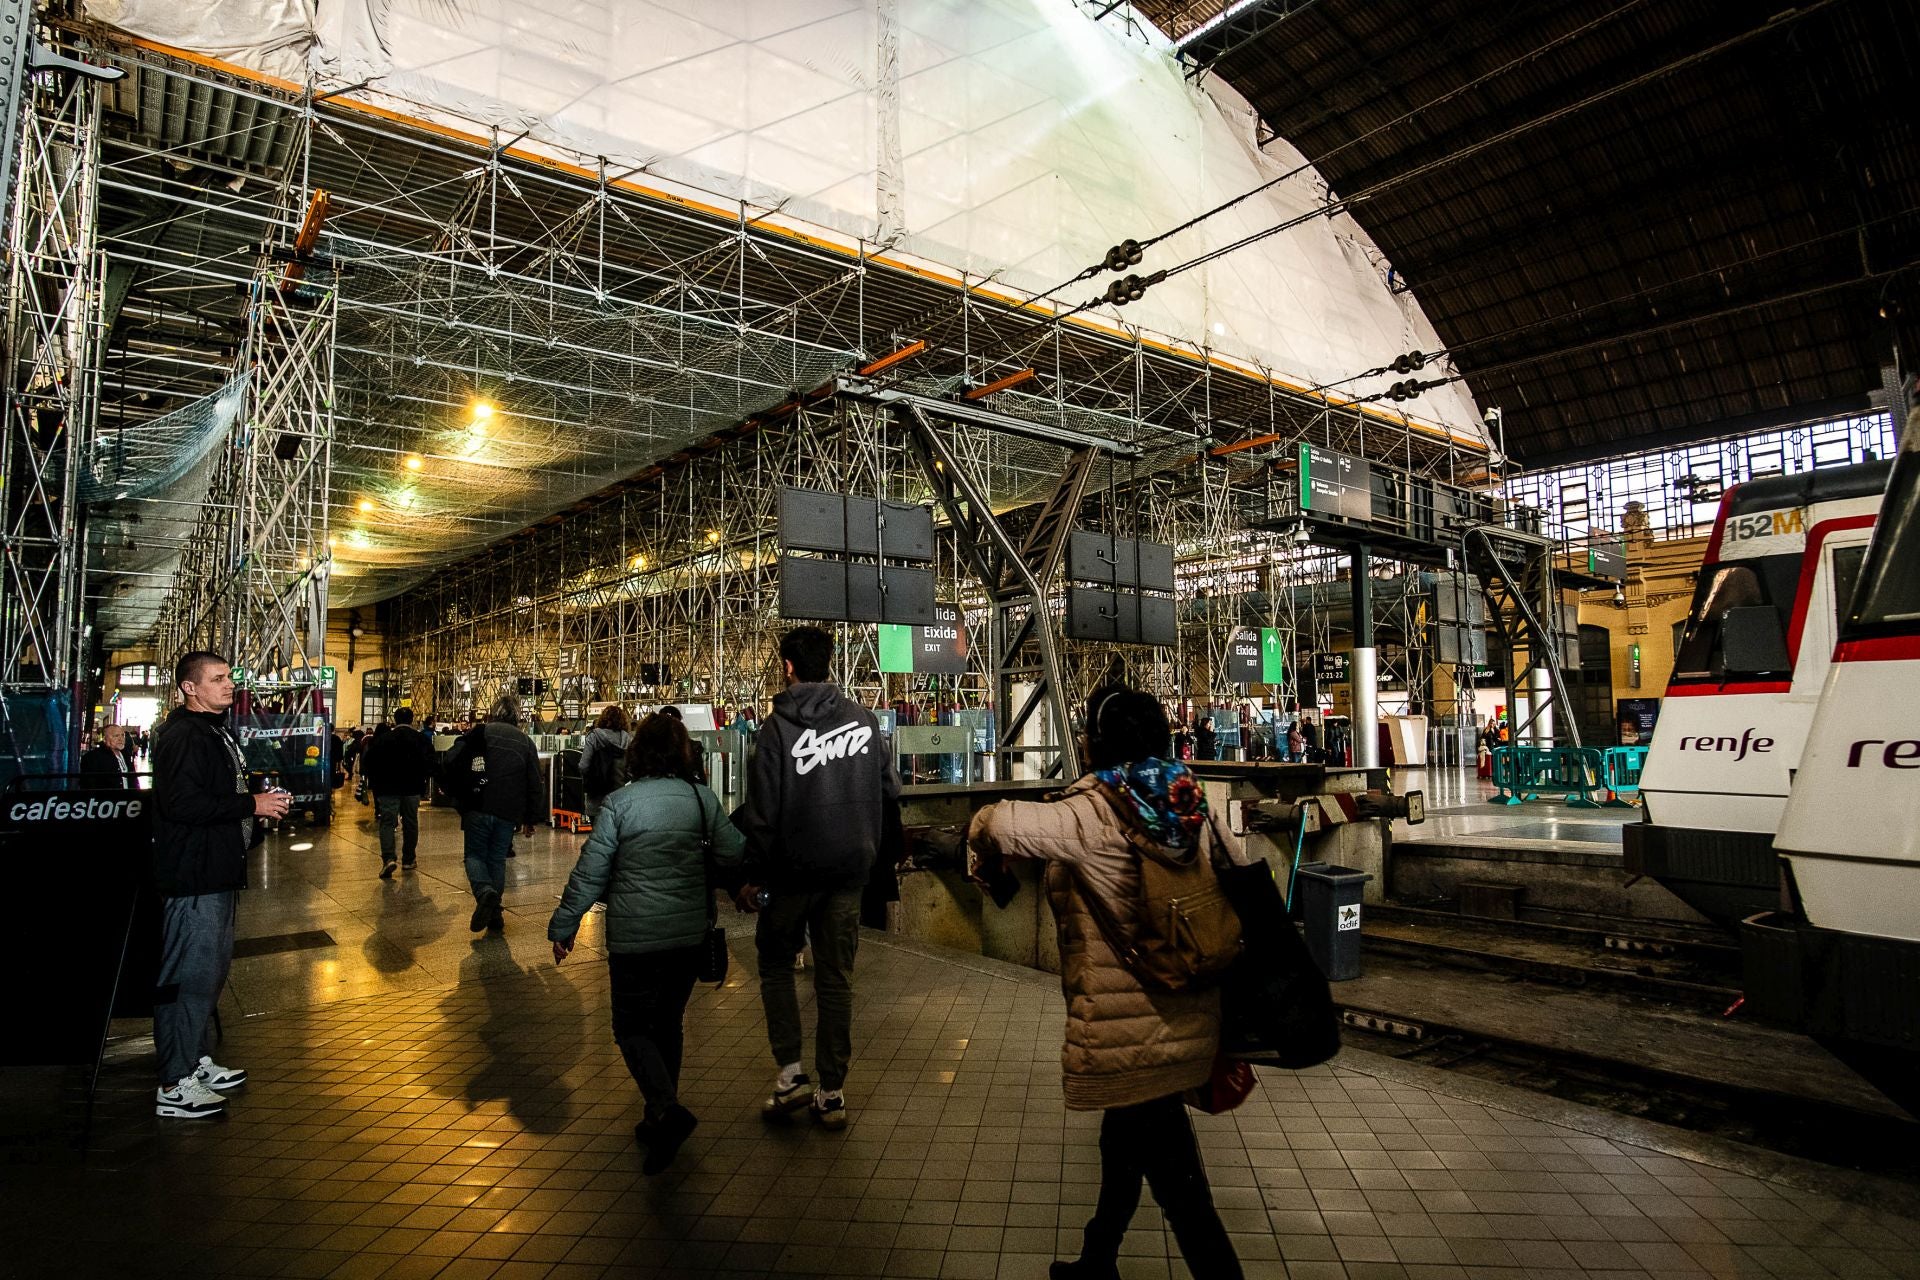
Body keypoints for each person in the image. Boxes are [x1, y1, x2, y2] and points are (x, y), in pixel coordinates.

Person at [966, 687, 1245, 1280]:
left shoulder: (1092, 810)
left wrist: (980, 839)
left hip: (1136, 1038)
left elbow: (999, 822)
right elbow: (1241, 876)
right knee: (1123, 1148)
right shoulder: (1193, 801)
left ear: (1095, 742)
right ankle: (1098, 1261)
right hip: (1193, 1014)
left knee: (1182, 1191)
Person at [549, 712, 745, 1174]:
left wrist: (565, 924)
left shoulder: (620, 804)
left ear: (637, 754)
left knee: (631, 1027)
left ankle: (666, 1109)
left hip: (635, 940)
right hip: (686, 937)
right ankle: (659, 1118)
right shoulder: (701, 799)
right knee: (669, 1025)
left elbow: (590, 871)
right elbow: (734, 850)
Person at [732, 625, 900, 1130]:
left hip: (791, 873)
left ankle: (791, 1075)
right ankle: (832, 1091)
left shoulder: (776, 731)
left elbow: (762, 815)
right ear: (829, 664)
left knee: (776, 963)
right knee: (835, 977)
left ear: (787, 667)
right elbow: (889, 793)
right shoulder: (865, 722)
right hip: (850, 869)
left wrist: (750, 875)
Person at [150, 650, 292, 1119]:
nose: (229, 684)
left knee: (209, 972)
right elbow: (181, 804)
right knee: (188, 975)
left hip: (215, 871)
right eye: (217, 678)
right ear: (190, 687)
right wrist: (250, 805)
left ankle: (194, 1059)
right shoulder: (183, 736)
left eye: (229, 677)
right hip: (193, 876)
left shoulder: (212, 731)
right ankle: (174, 1083)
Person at [452, 693, 544, 932]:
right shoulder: (525, 742)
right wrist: (531, 818)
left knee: (474, 856)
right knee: (496, 860)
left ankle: (484, 892)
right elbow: (535, 782)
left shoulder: (480, 732)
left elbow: (454, 759)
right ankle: (495, 915)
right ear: (517, 716)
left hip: (478, 804)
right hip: (507, 811)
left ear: (494, 711)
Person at [360, 706, 437, 878]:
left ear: (395, 720)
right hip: (412, 788)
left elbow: (370, 761)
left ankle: (389, 858)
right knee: (410, 822)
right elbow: (430, 762)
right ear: (412, 720)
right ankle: (409, 859)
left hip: (388, 788)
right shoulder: (420, 739)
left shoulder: (384, 738)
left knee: (388, 822)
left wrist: (376, 782)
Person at [578, 704, 632, 821]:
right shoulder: (628, 740)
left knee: (598, 836)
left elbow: (583, 765)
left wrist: (592, 779)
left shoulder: (594, 737)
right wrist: (621, 779)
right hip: (619, 796)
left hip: (596, 796)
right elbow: (632, 770)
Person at [80, 724, 135, 789]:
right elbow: (88, 784)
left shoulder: (126, 754)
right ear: (104, 739)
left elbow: (133, 779)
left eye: (122, 735)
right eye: (116, 736)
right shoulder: (92, 757)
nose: (121, 739)